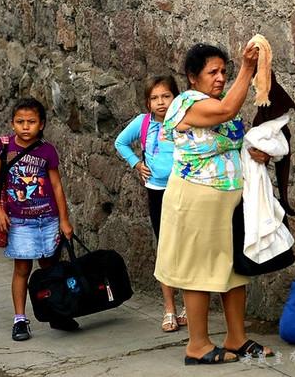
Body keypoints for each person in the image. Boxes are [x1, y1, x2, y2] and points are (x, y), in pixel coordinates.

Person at [154, 41, 272, 365]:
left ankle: (236, 337)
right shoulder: (185, 104)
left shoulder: (219, 104)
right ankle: (197, 344)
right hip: (195, 200)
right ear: (193, 77)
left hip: (227, 203)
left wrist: (254, 152)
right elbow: (225, 112)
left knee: (232, 273)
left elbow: (229, 142)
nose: (220, 77)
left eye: (224, 71)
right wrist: (248, 69)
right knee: (199, 273)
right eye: (213, 72)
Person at [0, 97, 76, 341]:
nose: (25, 127)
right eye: (20, 122)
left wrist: (64, 220)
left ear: (42, 124)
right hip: (20, 222)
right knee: (22, 269)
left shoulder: (47, 151)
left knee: (50, 269)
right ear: (12, 123)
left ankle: (55, 313)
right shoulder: (3, 148)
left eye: (31, 122)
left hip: (47, 219)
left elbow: (56, 186)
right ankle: (20, 319)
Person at [114, 75, 187, 332]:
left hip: (186, 190)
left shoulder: (184, 120)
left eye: (166, 96)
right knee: (166, 248)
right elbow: (120, 142)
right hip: (157, 191)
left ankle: (190, 303)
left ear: (176, 98)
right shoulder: (143, 123)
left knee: (189, 246)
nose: (160, 103)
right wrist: (136, 163)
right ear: (147, 102)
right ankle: (170, 308)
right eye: (154, 98)